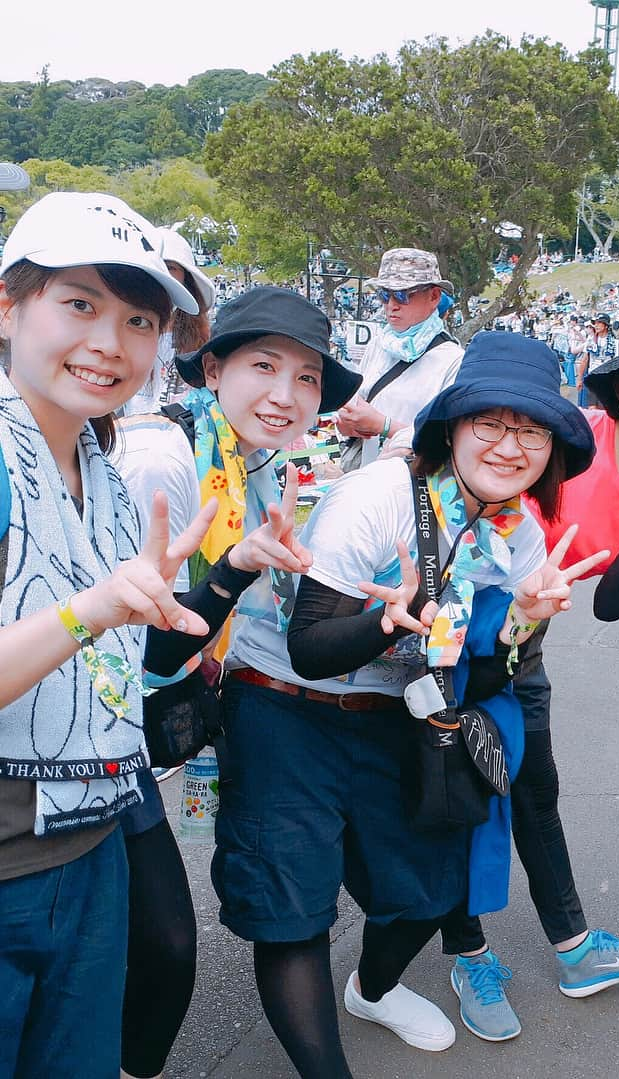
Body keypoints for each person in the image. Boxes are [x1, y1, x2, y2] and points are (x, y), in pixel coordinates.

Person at [211, 333, 602, 1077]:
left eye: (531, 429)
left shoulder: (521, 535)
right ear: (450, 428)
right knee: (295, 911)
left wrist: (521, 623)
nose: (510, 445)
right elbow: (310, 645)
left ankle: (373, 988)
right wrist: (386, 618)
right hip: (285, 706)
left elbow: (479, 680)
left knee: (429, 891)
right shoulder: (380, 496)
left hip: (394, 713)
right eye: (490, 422)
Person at [439, 299, 619, 1042]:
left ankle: (574, 951)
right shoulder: (572, 442)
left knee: (535, 789)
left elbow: (611, 603)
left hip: (525, 643)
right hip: (452, 632)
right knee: (456, 794)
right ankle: (467, 950)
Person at [112, 286, 362, 1079]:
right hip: (93, 723)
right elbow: (145, 644)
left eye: (308, 377)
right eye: (264, 366)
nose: (286, 395)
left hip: (148, 716)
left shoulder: (259, 459)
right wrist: (230, 574)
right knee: (159, 940)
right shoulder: (170, 457)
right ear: (212, 367)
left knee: (152, 937)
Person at [0, 191, 217, 1079]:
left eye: (138, 319)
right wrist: (90, 610)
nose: (110, 342)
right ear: (8, 307)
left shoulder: (111, 480)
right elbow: (88, 621)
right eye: (79, 304)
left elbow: (132, 659)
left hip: (91, 847)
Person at [336, 247, 463, 470]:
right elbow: (356, 404)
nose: (391, 305)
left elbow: (449, 439)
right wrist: (349, 424)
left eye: (403, 295)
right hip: (364, 474)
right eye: (384, 295)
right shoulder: (378, 343)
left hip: (414, 484)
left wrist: (384, 426)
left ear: (434, 296)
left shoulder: (454, 360)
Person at [122, 229, 215, 416]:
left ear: (186, 278)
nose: (161, 273)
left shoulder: (205, 340)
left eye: (170, 267)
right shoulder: (120, 333)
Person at [577, 313, 616, 407]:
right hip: (593, 378)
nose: (596, 325)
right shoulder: (591, 341)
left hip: (607, 380)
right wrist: (579, 379)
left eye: (599, 323)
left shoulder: (614, 342)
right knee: (592, 408)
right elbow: (584, 360)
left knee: (605, 409)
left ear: (606, 326)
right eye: (595, 323)